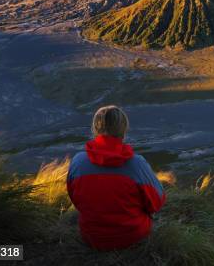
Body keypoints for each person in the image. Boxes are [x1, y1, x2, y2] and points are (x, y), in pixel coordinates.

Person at [67, 105, 166, 250]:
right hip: (133, 236)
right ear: (123, 130)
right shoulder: (136, 164)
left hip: (92, 237)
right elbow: (157, 202)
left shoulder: (78, 162)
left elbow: (75, 199)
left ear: (95, 128)